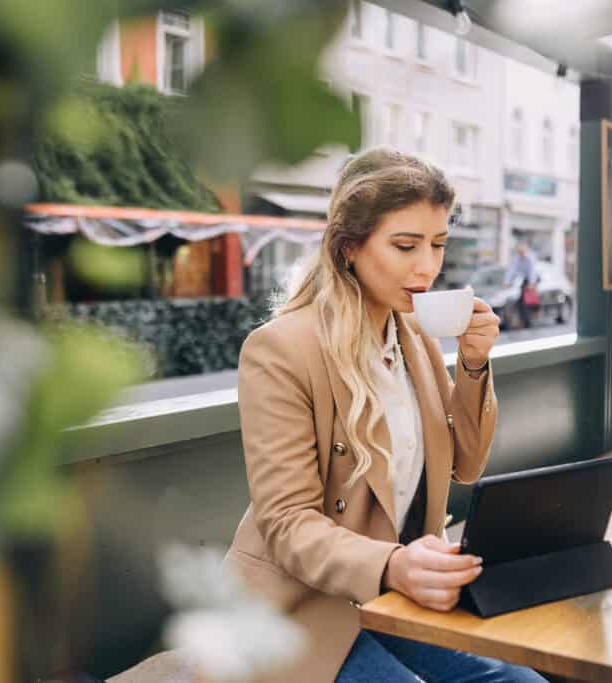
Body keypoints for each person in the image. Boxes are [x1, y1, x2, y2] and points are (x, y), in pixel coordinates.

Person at [223, 147, 545, 683]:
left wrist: (473, 363)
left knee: (521, 680)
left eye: (438, 244)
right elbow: (286, 523)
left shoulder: (413, 335)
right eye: (405, 245)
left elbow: (466, 464)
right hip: (302, 610)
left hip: (391, 598)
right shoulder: (280, 350)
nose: (428, 266)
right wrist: (393, 565)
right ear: (348, 247)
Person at [503, 242, 538, 329]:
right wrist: (507, 281)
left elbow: (532, 271)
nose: (521, 253)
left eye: (522, 251)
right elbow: (511, 270)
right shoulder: (517, 259)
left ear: (525, 251)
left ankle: (537, 311)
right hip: (523, 280)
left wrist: (531, 283)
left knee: (532, 298)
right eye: (519, 251)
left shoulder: (530, 258)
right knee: (521, 301)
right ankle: (524, 320)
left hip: (533, 279)